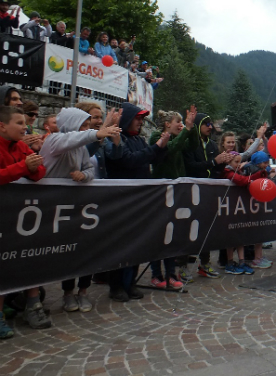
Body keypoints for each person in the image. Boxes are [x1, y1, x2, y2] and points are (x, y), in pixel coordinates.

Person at [40, 107, 121, 312]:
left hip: (77, 206)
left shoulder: (82, 148)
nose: (86, 129)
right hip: (52, 208)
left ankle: (83, 291)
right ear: (71, 125)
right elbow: (71, 140)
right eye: (82, 125)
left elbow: (89, 168)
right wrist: (98, 133)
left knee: (84, 248)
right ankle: (67, 293)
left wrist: (84, 176)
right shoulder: (54, 140)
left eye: (87, 125)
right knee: (64, 252)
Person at [104, 102, 170, 301]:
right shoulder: (116, 138)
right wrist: (156, 147)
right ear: (127, 119)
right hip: (122, 200)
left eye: (142, 119)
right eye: (137, 118)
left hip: (140, 200)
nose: (140, 122)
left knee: (136, 243)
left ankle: (130, 282)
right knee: (119, 244)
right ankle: (116, 286)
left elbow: (152, 159)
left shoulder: (139, 140)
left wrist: (162, 148)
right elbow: (130, 160)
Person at [0, 105, 49, 338]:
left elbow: (40, 171)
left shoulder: (20, 146)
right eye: (19, 123)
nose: (25, 127)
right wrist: (23, 167)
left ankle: (32, 304)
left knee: (29, 258)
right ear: (2, 126)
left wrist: (30, 168)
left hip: (18, 218)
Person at [148, 107, 198, 289]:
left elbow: (192, 146)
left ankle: (170, 274)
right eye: (179, 122)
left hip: (176, 191)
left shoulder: (179, 136)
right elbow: (171, 149)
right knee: (158, 235)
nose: (181, 125)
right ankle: (156, 274)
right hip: (160, 192)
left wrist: (191, 128)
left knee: (172, 234)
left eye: (182, 122)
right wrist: (187, 130)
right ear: (167, 124)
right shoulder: (156, 136)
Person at [183, 112, 232, 278]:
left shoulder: (212, 145)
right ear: (198, 125)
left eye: (211, 123)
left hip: (208, 192)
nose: (210, 127)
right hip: (191, 192)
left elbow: (215, 169)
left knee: (206, 230)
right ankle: (182, 266)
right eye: (206, 124)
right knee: (188, 230)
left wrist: (223, 163)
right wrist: (214, 162)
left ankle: (204, 264)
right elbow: (190, 166)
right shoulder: (190, 144)